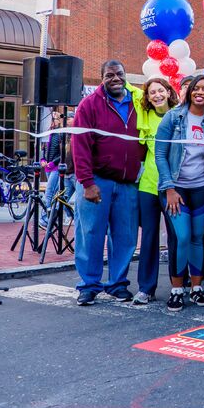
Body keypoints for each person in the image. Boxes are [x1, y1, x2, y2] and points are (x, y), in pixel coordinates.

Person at [70, 60, 145, 306]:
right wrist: (87, 182)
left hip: (127, 183)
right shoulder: (89, 105)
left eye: (119, 74)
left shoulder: (138, 103)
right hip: (97, 181)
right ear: (102, 78)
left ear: (125, 76)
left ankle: (117, 284)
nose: (115, 78)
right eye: (109, 75)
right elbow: (79, 146)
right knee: (90, 233)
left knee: (125, 236)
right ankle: (89, 285)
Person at [156, 74, 204, 311]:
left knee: (197, 238)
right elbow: (160, 155)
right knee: (181, 237)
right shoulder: (173, 117)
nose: (200, 92)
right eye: (197, 88)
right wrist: (169, 188)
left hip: (203, 187)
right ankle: (176, 290)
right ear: (190, 91)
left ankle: (196, 288)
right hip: (176, 189)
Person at [134, 77, 178, 305]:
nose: (157, 95)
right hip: (149, 185)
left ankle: (178, 285)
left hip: (174, 186)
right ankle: (146, 288)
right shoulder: (145, 116)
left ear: (169, 92)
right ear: (148, 97)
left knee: (176, 237)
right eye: (152, 92)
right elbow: (129, 89)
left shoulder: (179, 115)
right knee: (149, 237)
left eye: (161, 90)